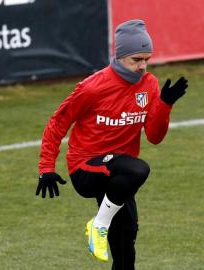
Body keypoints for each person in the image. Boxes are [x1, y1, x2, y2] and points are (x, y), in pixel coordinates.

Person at [36, 19, 188, 269]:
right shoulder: (92, 88)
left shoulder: (149, 85)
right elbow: (57, 123)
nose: (143, 66)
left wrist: (164, 105)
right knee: (139, 169)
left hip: (120, 177)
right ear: (120, 56)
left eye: (146, 59)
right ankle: (99, 224)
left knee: (126, 248)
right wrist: (46, 168)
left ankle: (103, 224)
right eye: (136, 60)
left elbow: (154, 136)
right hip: (86, 169)